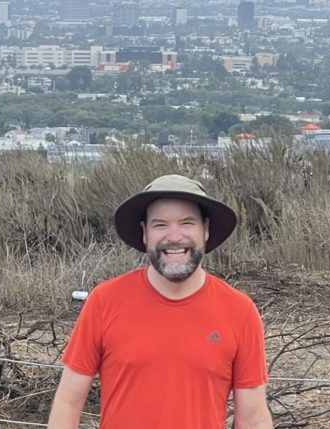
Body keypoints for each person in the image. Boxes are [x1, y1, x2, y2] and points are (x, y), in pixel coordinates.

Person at [46, 175, 274, 429]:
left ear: (205, 229)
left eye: (187, 223)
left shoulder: (239, 311)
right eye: (160, 225)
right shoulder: (104, 301)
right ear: (145, 233)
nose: (174, 237)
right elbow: (68, 402)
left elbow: (253, 419)